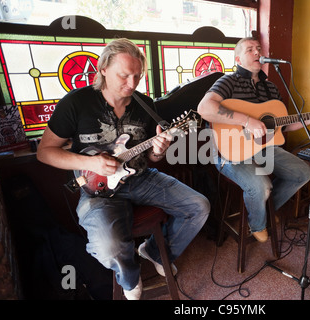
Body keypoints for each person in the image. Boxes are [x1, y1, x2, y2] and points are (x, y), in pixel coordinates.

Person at [37, 38, 210, 300]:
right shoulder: (76, 103)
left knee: (199, 206)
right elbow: (44, 152)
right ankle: (129, 275)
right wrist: (91, 162)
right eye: (124, 75)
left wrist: (158, 150)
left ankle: (152, 252)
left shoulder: (144, 104)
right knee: (108, 248)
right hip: (97, 190)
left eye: (137, 76)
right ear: (103, 69)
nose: (132, 83)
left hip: (141, 178)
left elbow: (151, 157)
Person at [197, 37, 310, 243]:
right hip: (228, 151)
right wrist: (247, 121)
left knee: (302, 172)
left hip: (262, 147)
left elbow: (285, 124)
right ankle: (258, 224)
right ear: (238, 58)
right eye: (249, 50)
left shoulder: (271, 88)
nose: (256, 52)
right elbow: (204, 109)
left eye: (258, 48)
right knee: (261, 185)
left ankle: (264, 210)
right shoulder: (227, 82)